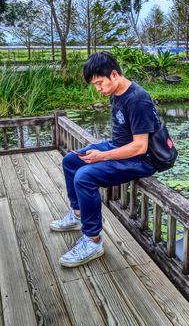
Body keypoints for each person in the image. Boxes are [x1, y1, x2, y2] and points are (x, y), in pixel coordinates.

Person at [51, 52, 160, 267]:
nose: (98, 89)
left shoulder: (138, 99)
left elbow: (140, 146)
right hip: (119, 147)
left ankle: (93, 240)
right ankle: (78, 213)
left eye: (100, 83)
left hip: (141, 159)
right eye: (95, 85)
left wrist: (102, 156)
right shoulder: (116, 92)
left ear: (114, 74)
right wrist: (103, 151)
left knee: (85, 177)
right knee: (71, 160)